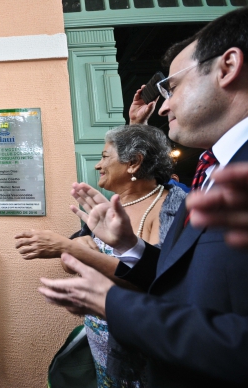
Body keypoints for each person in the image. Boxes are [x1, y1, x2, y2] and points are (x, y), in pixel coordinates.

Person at [38, 7, 248, 387]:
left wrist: (114, 303)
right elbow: (180, 282)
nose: (164, 104)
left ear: (228, 66)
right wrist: (130, 247)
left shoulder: (183, 194)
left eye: (174, 87)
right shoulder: (213, 170)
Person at [16, 125, 186, 387]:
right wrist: (75, 247)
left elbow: (152, 283)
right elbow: (70, 266)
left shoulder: (170, 206)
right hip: (102, 342)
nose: (97, 165)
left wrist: (69, 247)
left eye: (105, 156)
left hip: (140, 346)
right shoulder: (111, 205)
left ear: (134, 162)